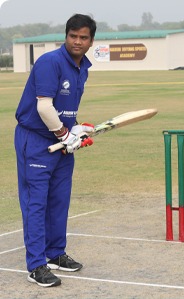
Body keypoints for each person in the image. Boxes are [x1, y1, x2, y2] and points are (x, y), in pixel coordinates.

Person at [14, 14, 97, 287]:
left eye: (83, 37)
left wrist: (75, 130)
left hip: (62, 141)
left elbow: (65, 108)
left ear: (91, 41)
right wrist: (63, 132)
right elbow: (44, 107)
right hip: (36, 140)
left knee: (59, 199)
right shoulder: (50, 62)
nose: (77, 41)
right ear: (66, 36)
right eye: (73, 36)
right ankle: (36, 264)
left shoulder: (82, 66)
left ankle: (55, 253)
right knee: (36, 203)